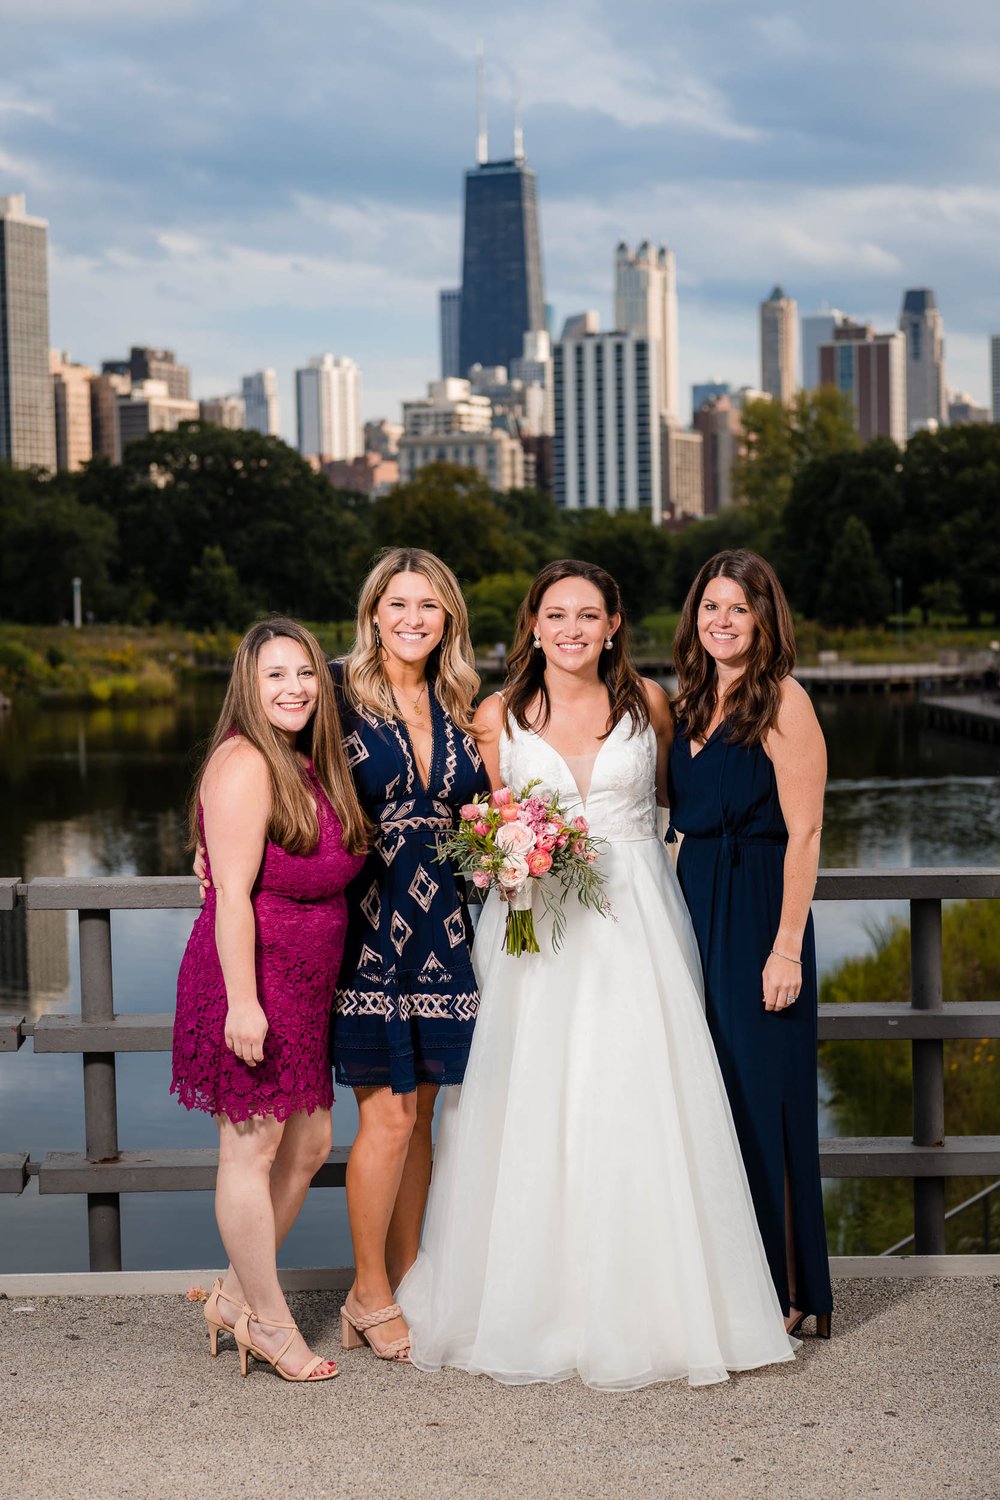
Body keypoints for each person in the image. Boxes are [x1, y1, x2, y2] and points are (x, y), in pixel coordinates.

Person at [397, 560, 795, 1390]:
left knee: (642, 1096)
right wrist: (508, 857)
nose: (572, 629)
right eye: (555, 615)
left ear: (614, 624)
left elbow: (662, 804)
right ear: (533, 625)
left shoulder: (648, 703)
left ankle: (661, 1305)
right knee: (531, 1099)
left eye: (588, 615)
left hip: (637, 923)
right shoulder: (496, 715)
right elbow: (481, 820)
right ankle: (526, 1301)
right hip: (533, 929)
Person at [172, 618, 368, 1382]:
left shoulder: (304, 758)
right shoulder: (244, 762)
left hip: (306, 985)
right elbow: (229, 900)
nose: (293, 689)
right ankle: (272, 1325)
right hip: (251, 980)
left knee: (311, 1145)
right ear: (247, 690)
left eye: (305, 674)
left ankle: (230, 1294)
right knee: (248, 1153)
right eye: (274, 677)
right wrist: (243, 1004)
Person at [667, 549, 832, 1338]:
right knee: (708, 1097)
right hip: (693, 905)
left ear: (765, 618)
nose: (722, 622)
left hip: (762, 909)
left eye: (738, 608)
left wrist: (787, 948)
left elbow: (805, 834)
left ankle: (791, 1290)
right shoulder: (689, 702)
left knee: (765, 1099)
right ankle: (732, 1281)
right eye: (710, 608)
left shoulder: (783, 702)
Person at [331, 548, 488, 1361]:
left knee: (422, 1116)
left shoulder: (462, 702)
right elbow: (255, 756)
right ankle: (366, 1293)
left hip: (447, 926)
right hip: (366, 921)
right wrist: (210, 844)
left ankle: (407, 1277)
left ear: (448, 619)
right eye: (398, 605)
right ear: (373, 615)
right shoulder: (335, 693)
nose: (413, 619)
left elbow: (490, 811)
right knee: (385, 1114)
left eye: (429, 606)